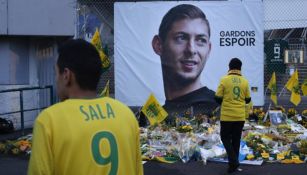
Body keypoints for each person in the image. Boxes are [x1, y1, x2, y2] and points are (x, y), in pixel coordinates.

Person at [28, 39, 143, 175]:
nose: (56, 79)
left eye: (56, 73)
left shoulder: (49, 120)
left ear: (66, 75)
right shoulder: (126, 114)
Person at [151, 4, 218, 125]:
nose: (191, 50)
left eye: (201, 40)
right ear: (158, 45)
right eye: (181, 38)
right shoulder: (155, 114)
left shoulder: (218, 110)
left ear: (208, 49)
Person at [215, 58, 251, 174]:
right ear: (240, 68)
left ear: (229, 67)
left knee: (225, 137)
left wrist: (225, 103)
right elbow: (248, 99)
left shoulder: (224, 80)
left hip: (227, 116)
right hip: (240, 116)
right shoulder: (245, 81)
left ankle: (234, 161)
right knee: (236, 140)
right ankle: (232, 166)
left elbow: (217, 97)